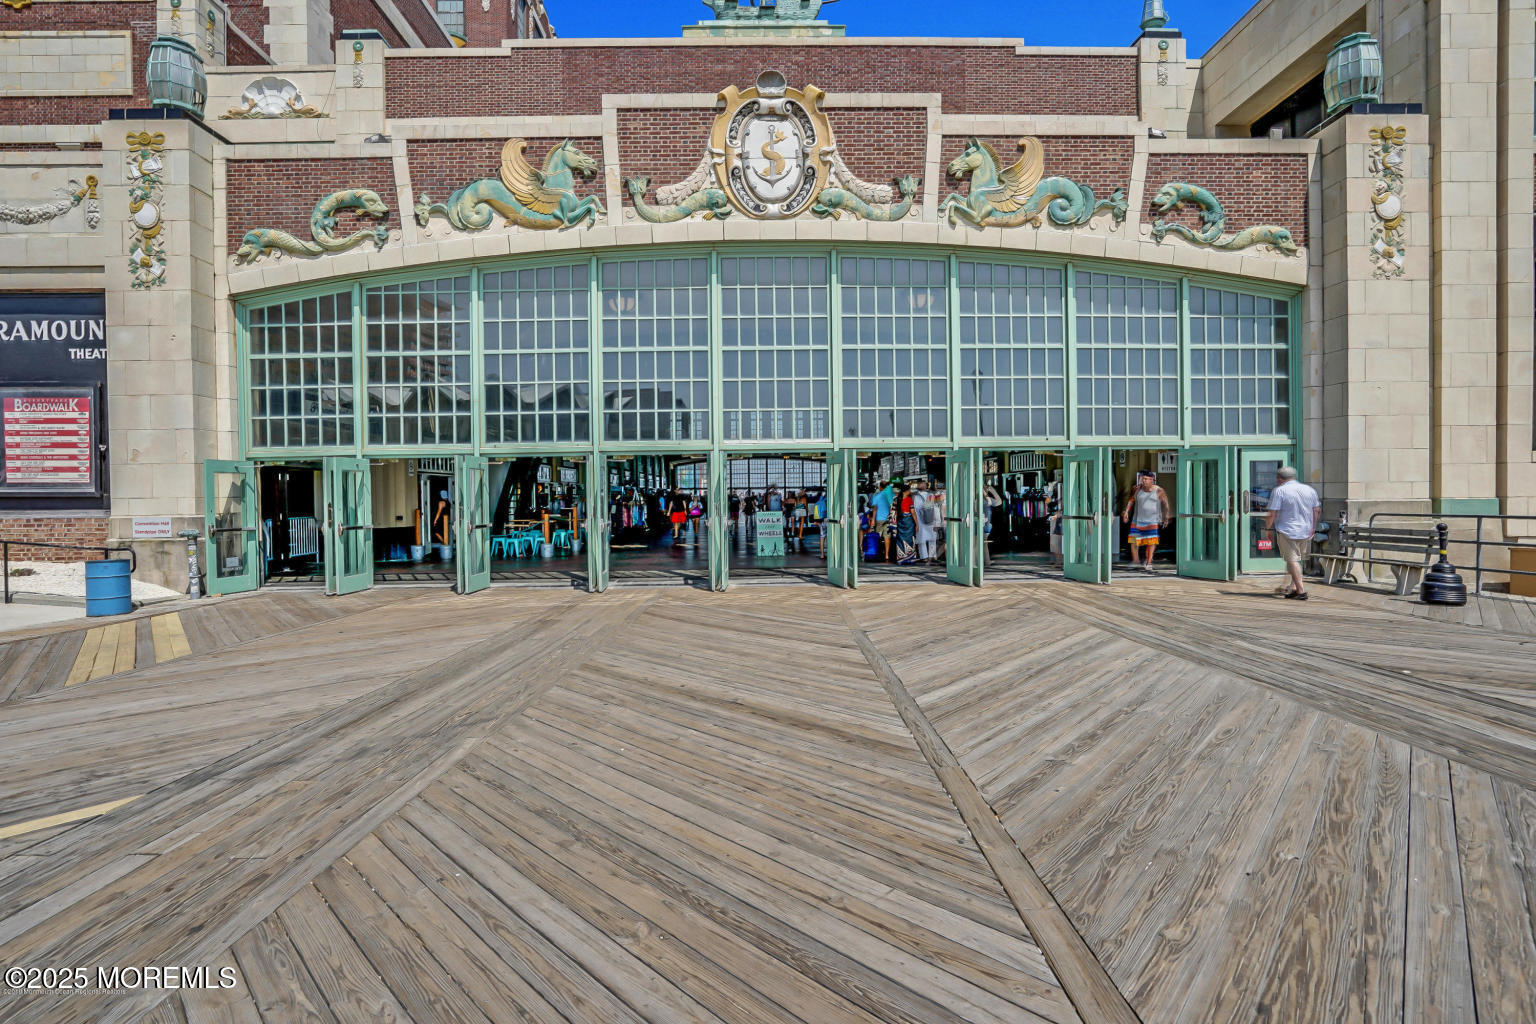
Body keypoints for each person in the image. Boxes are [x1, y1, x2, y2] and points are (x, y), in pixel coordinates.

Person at [1266, 466, 1321, 599]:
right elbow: (1316, 510)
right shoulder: (1309, 489)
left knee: (1292, 560)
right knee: (1296, 560)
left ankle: (1301, 591)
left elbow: (1272, 513)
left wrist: (1268, 529)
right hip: (1306, 530)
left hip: (1287, 530)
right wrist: (1313, 527)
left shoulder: (1279, 491)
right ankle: (1293, 587)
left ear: (1280, 479)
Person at [1121, 472, 1171, 570]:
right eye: (1142, 479)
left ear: (1152, 480)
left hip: (1152, 520)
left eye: (1146, 479)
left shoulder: (1159, 490)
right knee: (1134, 541)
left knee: (1151, 541)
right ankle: (1136, 561)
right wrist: (1126, 512)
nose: (1143, 481)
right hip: (1137, 519)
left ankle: (1148, 562)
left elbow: (1165, 503)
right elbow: (1131, 500)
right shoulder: (1137, 489)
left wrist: (1166, 516)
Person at [913, 480, 939, 564]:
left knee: (922, 540)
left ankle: (924, 557)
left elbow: (915, 511)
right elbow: (936, 509)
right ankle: (931, 556)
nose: (919, 485)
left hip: (920, 521)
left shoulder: (916, 497)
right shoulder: (931, 495)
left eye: (920, 484)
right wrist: (937, 522)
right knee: (932, 539)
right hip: (931, 520)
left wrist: (916, 523)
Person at [870, 480, 895, 561]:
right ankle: (887, 555)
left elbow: (874, 508)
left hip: (879, 519)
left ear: (880, 487)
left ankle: (879, 552)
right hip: (888, 519)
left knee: (878, 536)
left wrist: (873, 520)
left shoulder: (877, 496)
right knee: (887, 537)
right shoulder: (891, 494)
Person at [894, 483, 917, 565]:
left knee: (900, 539)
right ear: (906, 491)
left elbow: (895, 512)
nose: (910, 491)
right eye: (909, 490)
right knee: (910, 538)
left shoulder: (897, 499)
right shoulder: (909, 499)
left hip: (900, 521)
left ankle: (900, 558)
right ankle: (909, 559)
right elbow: (913, 513)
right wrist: (917, 523)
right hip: (908, 521)